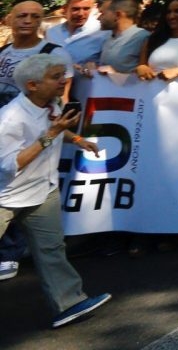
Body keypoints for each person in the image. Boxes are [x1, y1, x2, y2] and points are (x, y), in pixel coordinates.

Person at [0, 53, 111, 328]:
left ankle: (69, 303)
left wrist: (76, 139)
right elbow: (8, 166)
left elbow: (55, 128)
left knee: (52, 249)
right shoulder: (9, 119)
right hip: (5, 196)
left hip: (42, 190)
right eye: (55, 77)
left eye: (62, 75)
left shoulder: (51, 104)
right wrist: (51, 135)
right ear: (32, 85)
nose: (63, 81)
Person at [44, 0, 105, 66]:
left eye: (86, 9)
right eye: (76, 9)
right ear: (65, 8)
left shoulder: (103, 33)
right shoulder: (52, 33)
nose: (80, 14)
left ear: (94, 7)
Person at [93, 0, 149, 73]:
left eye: (103, 13)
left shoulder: (143, 38)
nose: (98, 18)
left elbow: (146, 76)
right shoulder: (108, 37)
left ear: (118, 15)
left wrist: (115, 74)